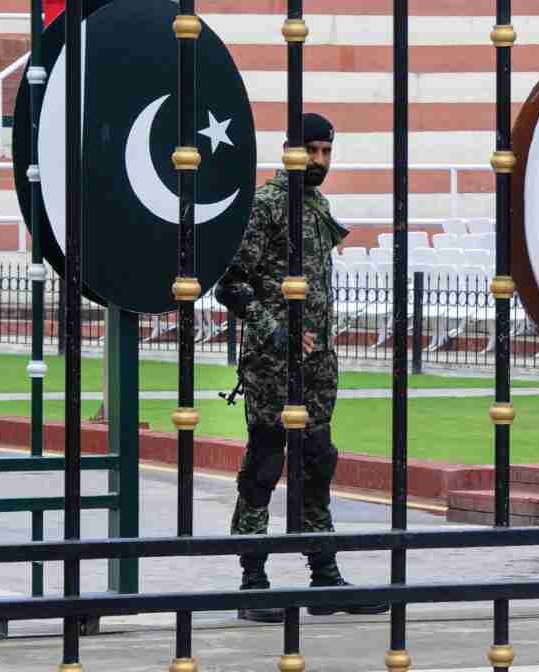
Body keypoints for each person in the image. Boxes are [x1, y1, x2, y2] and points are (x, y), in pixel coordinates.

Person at [215, 113, 388, 622]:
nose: (318, 162)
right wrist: (277, 330)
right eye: (310, 151)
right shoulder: (267, 205)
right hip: (272, 362)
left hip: (317, 364)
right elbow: (231, 283)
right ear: (289, 150)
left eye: (325, 153)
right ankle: (253, 581)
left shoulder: (316, 205)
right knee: (266, 464)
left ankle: (324, 579)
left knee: (318, 463)